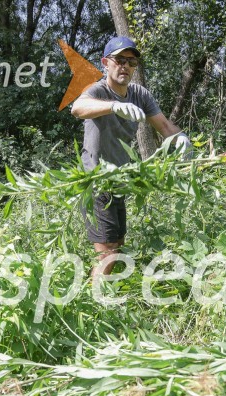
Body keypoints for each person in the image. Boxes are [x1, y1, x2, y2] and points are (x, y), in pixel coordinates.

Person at [71, 36, 192, 278]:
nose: (125, 66)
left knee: (117, 245)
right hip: (96, 179)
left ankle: (96, 292)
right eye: (119, 60)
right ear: (106, 62)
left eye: (131, 62)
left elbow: (165, 127)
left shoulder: (140, 95)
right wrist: (112, 106)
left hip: (120, 179)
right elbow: (77, 107)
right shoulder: (98, 90)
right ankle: (94, 303)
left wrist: (184, 141)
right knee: (106, 253)